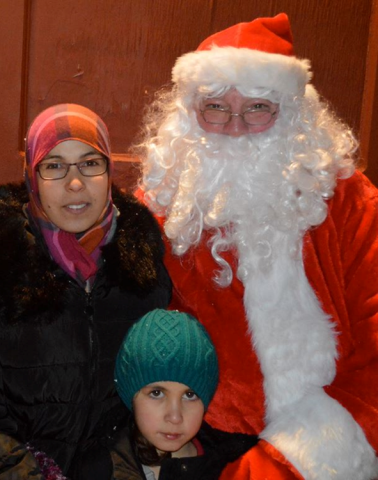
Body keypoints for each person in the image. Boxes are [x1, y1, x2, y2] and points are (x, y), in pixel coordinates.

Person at [138, 13, 378, 480]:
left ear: (291, 115)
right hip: (190, 441)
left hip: (324, 452)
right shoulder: (165, 202)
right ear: (190, 114)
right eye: (215, 107)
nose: (233, 127)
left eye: (257, 108)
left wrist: (281, 467)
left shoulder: (351, 203)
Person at [0, 103, 172, 478]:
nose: (75, 183)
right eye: (54, 166)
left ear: (109, 172)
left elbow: (150, 405)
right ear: (32, 178)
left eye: (90, 163)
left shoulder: (144, 274)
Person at [78, 309, 257, 479]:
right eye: (156, 393)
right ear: (131, 397)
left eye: (189, 395)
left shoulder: (237, 467)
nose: (175, 417)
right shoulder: (99, 469)